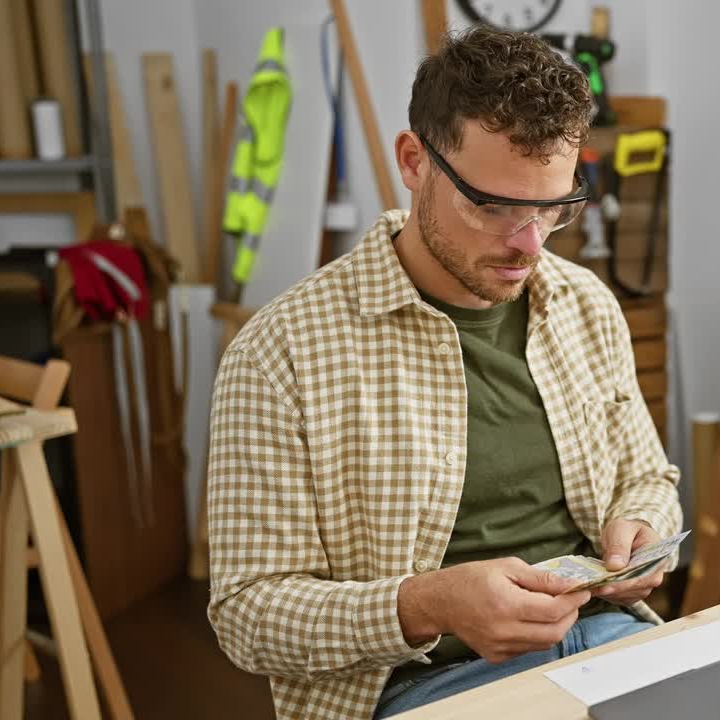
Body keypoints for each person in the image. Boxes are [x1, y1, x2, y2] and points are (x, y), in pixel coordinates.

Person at [205, 25, 682, 720]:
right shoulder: (279, 354)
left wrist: (642, 526)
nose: (529, 243)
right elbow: (247, 617)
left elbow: (647, 479)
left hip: (605, 641)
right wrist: (427, 604)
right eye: (492, 206)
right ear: (413, 161)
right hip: (415, 685)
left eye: (553, 206)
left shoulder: (586, 304)